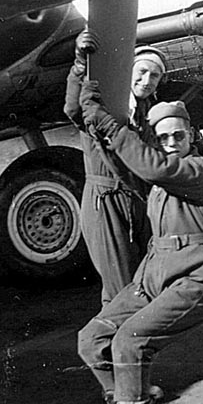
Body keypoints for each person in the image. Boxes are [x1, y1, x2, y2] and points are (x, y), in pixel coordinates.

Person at [76, 91, 203, 404]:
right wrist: (90, 106)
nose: (172, 143)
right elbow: (120, 163)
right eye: (163, 139)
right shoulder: (158, 177)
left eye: (178, 135)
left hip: (192, 281)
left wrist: (111, 124)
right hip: (153, 278)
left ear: (192, 134)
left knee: (130, 341)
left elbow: (154, 167)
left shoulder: (200, 170)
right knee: (92, 339)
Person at [64, 30, 167, 307]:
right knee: (121, 290)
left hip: (139, 202)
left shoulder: (150, 116)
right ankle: (110, 347)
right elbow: (74, 109)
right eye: (142, 71)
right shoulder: (102, 102)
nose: (146, 81)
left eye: (154, 76)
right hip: (105, 201)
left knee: (145, 284)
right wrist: (80, 66)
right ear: (128, 71)